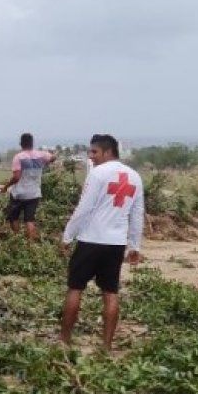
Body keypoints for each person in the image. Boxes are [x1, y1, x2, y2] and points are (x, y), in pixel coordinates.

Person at [59, 134, 144, 350]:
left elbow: (83, 208)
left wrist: (68, 235)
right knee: (110, 292)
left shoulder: (98, 174)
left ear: (107, 152)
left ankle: (65, 340)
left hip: (90, 240)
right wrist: (134, 245)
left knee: (75, 288)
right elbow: (137, 213)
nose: (91, 156)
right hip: (116, 244)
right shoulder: (135, 176)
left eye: (94, 152)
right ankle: (106, 346)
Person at [4, 133, 56, 240]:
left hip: (19, 194)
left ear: (21, 144)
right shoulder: (41, 155)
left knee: (13, 217)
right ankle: (30, 245)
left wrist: (6, 187)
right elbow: (53, 157)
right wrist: (46, 163)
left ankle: (17, 239)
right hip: (34, 194)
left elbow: (16, 177)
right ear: (32, 143)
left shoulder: (18, 157)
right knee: (29, 220)